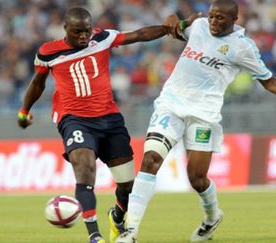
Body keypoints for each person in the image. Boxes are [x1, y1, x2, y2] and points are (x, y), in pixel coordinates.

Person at [115, 0, 276, 242]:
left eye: (220, 18)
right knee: (150, 160)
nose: (213, 21)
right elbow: (175, 28)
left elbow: (266, 78)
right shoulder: (199, 25)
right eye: (211, 16)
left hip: (204, 114)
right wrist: (172, 18)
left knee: (197, 179)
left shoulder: (243, 48)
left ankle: (211, 218)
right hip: (170, 105)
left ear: (234, 20)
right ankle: (131, 230)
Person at [16, 7, 179, 243]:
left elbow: (138, 35)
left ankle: (117, 217)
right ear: (65, 29)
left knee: (127, 185)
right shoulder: (48, 52)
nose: (83, 36)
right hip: (74, 119)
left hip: (110, 119)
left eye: (86, 31)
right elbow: (37, 83)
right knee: (84, 167)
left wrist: (169, 29)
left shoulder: (101, 38)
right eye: (77, 32)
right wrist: (24, 112)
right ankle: (95, 236)